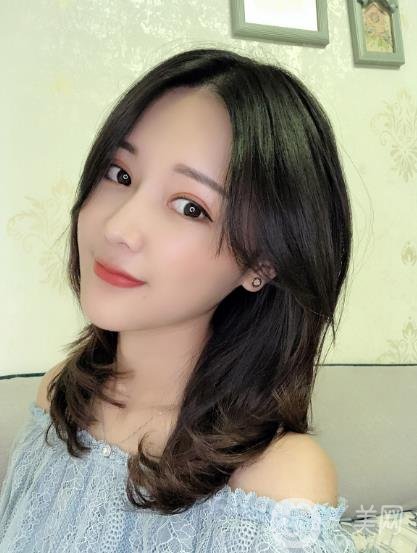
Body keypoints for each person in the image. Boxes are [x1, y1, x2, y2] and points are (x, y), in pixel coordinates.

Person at [0, 47, 358, 552]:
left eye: (190, 207)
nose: (118, 227)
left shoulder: (278, 485)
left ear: (261, 264)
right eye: (121, 175)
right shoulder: (59, 398)